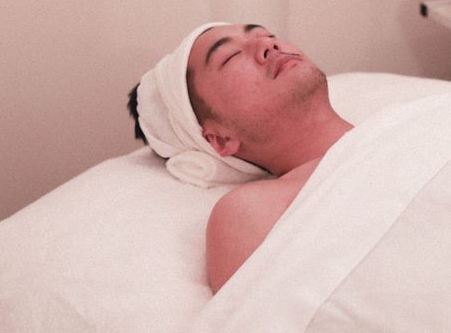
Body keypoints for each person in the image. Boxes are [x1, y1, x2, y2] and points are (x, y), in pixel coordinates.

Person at [128, 23, 353, 293]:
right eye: (231, 56)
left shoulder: (397, 121)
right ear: (220, 139)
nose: (268, 45)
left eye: (267, 35)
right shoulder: (254, 213)